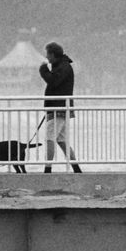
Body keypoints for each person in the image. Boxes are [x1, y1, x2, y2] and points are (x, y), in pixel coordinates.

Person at [38, 43, 81, 173]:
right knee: (62, 140)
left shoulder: (63, 67)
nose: (47, 57)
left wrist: (43, 70)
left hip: (58, 108)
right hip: (61, 108)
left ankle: (47, 169)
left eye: (48, 54)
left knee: (49, 138)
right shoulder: (63, 66)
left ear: (52, 54)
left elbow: (53, 81)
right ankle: (76, 169)